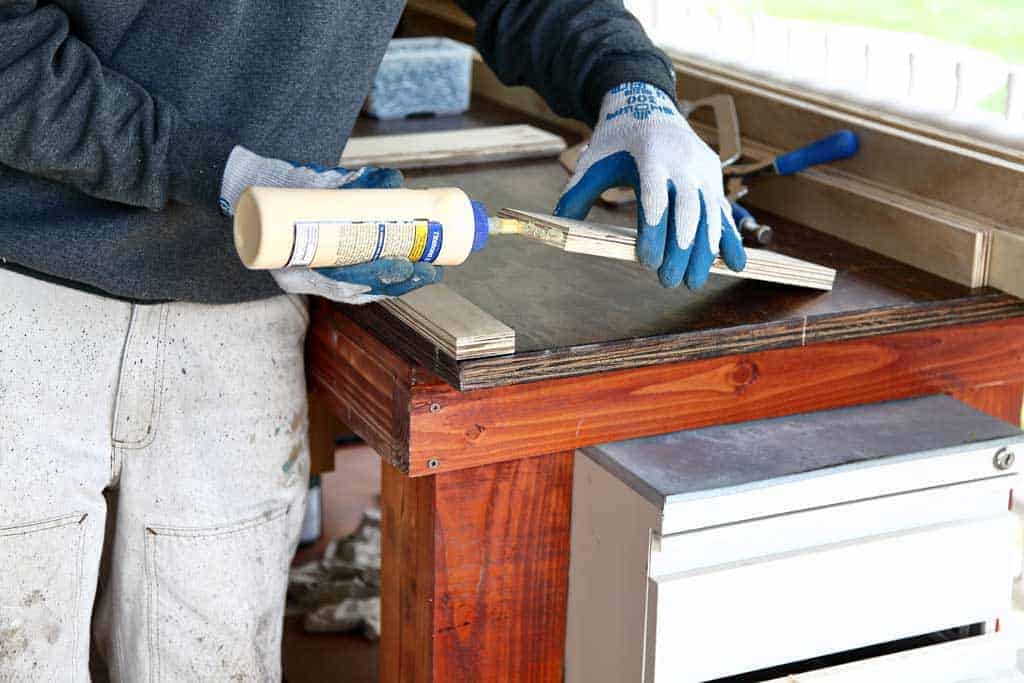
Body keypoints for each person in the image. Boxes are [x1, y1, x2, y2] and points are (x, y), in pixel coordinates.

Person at [0, 1, 744, 679]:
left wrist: (631, 86)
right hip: (29, 285)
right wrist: (225, 174)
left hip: (237, 305)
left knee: (213, 660)